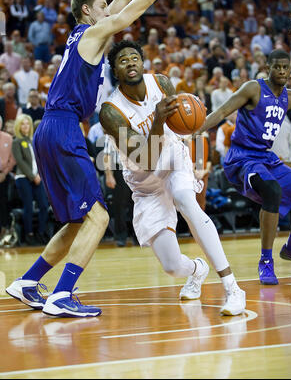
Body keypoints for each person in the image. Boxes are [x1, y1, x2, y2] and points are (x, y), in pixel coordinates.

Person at [6, 0, 195, 318]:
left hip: (50, 128)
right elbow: (139, 3)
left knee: (79, 219)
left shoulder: (85, 35)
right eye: (104, 5)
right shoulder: (93, 34)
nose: (111, 7)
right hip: (62, 129)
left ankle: (28, 281)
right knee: (100, 216)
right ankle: (62, 294)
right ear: (90, 12)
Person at [100, 40, 246, 316]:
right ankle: (197, 269)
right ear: (115, 71)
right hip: (145, 182)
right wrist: (156, 121)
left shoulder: (162, 83)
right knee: (171, 266)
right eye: (123, 60)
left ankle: (233, 288)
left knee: (185, 199)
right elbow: (145, 159)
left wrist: (198, 159)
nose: (130, 62)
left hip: (173, 158)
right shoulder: (110, 112)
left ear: (142, 63)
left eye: (135, 57)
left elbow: (184, 127)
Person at [197, 49, 291, 285]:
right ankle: (265, 261)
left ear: (290, 70)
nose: (282, 71)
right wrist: (196, 130)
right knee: (272, 192)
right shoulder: (253, 88)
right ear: (268, 68)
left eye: (286, 67)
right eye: (277, 67)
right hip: (242, 158)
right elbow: (223, 111)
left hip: (266, 158)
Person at [11, 114, 49, 246]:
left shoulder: (34, 140)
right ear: (18, 126)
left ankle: (41, 232)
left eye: (27, 124)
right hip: (23, 178)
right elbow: (20, 162)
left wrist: (38, 175)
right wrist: (33, 177)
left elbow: (40, 160)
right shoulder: (16, 141)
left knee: (44, 205)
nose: (25, 126)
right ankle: (29, 234)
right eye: (23, 124)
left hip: (38, 178)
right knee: (28, 207)